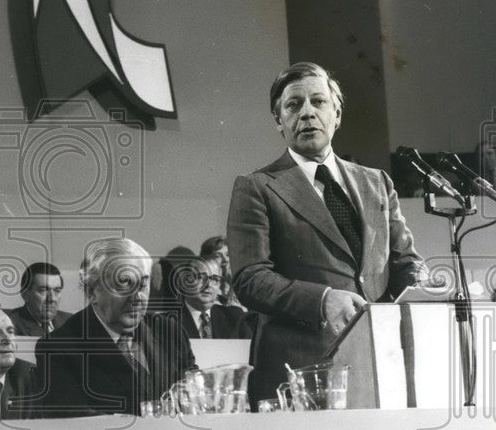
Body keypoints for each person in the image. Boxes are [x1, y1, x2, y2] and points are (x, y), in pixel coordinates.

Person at [227, 61, 426, 404]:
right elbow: (250, 279)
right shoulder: (256, 187)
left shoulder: (376, 182)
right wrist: (322, 300)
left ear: (337, 115)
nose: (307, 113)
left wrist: (423, 282)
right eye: (293, 105)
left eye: (318, 102)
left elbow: (404, 260)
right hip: (298, 372)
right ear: (279, 121)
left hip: (380, 365)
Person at [35, 237, 197, 417]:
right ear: (92, 292)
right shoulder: (58, 349)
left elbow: (196, 395)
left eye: (143, 284)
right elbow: (78, 428)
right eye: (124, 284)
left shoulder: (170, 332)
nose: (137, 298)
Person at [173, 255, 256, 340]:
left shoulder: (234, 317)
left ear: (220, 284)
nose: (208, 285)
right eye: (201, 277)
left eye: (215, 279)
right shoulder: (167, 323)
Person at [5, 261, 73, 337]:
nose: (52, 299)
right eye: (43, 290)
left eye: (57, 291)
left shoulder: (72, 321)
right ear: (25, 295)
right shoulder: (9, 324)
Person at [199, 235, 241, 309]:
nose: (226, 260)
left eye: (228, 254)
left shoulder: (242, 284)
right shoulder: (205, 289)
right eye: (218, 256)